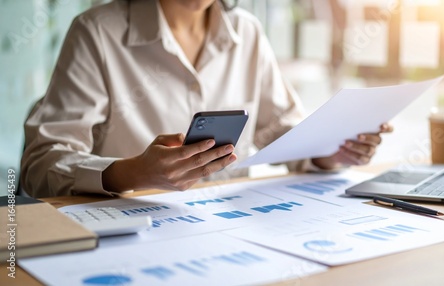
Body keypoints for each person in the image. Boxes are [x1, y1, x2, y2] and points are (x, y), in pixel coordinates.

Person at [21, 0, 392, 198]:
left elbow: (283, 131)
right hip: (130, 234)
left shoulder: (247, 31)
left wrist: (331, 151)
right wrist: (132, 172)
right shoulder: (97, 32)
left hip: (232, 230)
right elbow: (40, 165)